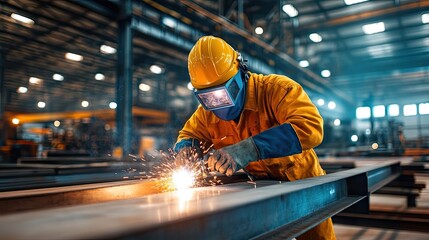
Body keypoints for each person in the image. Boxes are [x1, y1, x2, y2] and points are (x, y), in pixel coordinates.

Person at [174, 36, 336, 240]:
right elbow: (189, 134)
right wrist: (186, 149)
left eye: (223, 93)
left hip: (304, 187)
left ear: (241, 72)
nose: (218, 103)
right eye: (208, 98)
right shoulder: (206, 113)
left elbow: (310, 126)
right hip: (259, 191)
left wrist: (248, 150)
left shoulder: (276, 90)